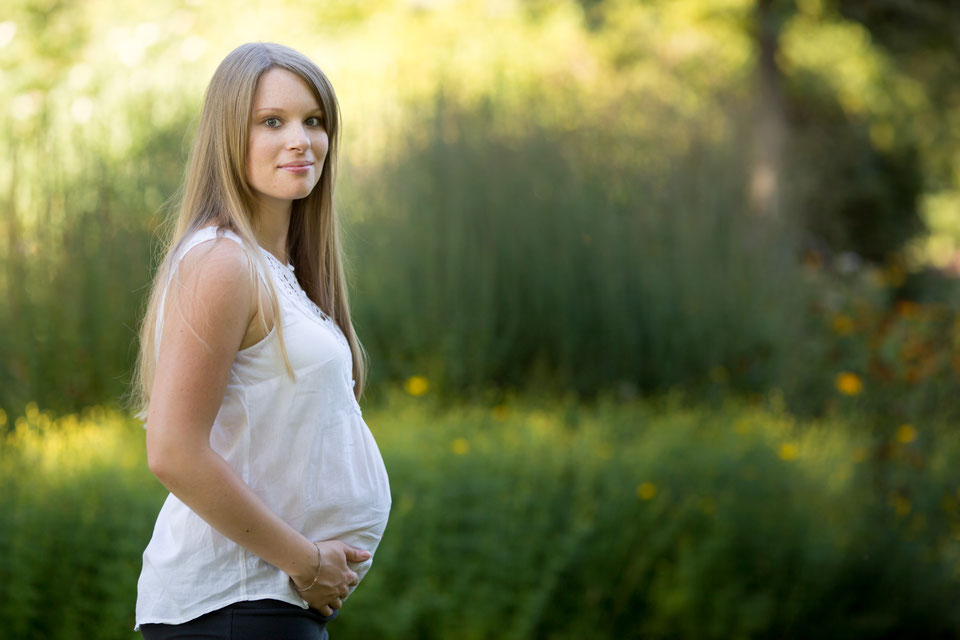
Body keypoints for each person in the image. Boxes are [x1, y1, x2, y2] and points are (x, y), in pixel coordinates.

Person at [129, 42, 392, 639]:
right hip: (235, 607)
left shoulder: (277, 269)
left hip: (269, 607)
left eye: (313, 120)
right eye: (272, 122)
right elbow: (172, 449)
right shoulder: (222, 262)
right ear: (229, 137)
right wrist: (306, 560)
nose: (301, 139)